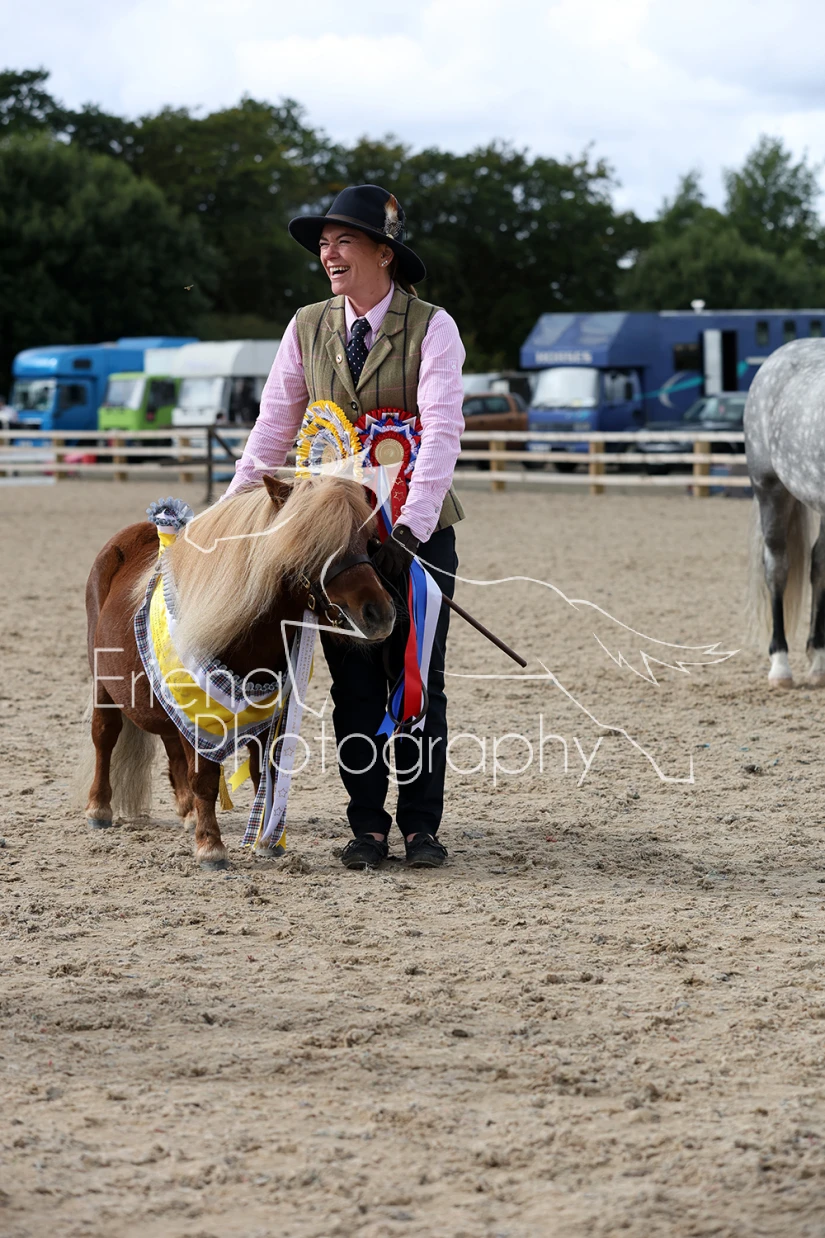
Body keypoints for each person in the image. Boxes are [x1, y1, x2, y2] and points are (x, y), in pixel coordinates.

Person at [225, 184, 465, 869]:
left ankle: (421, 827)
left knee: (416, 681)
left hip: (417, 535)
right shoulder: (306, 325)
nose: (329, 254)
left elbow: (442, 430)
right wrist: (232, 507)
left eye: (344, 241)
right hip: (333, 540)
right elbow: (275, 424)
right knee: (353, 687)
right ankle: (367, 827)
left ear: (383, 254)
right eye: (324, 244)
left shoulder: (432, 327)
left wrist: (411, 529)